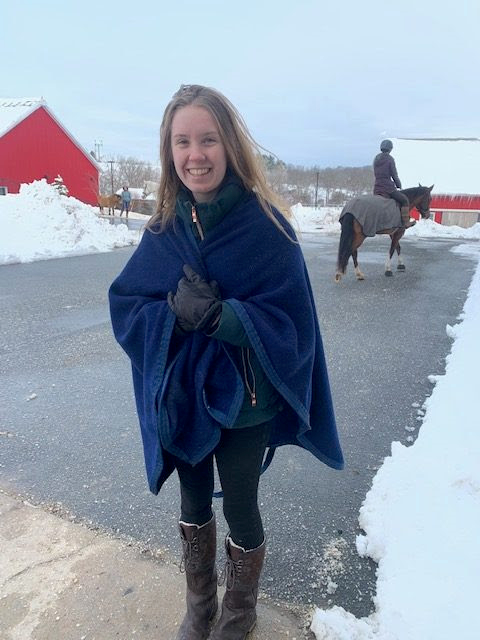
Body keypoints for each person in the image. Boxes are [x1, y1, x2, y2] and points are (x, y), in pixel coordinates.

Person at [109, 84, 344, 640]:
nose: (196, 154)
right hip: (184, 397)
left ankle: (239, 613)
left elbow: (292, 323)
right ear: (169, 151)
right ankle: (200, 608)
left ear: (230, 145)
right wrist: (171, 313)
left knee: (241, 503)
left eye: (208, 139)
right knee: (193, 500)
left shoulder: (268, 228)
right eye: (182, 142)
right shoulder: (163, 230)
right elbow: (127, 304)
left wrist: (223, 318)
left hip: (247, 400)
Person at [373, 139, 415, 228]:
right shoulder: (390, 159)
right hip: (388, 188)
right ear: (390, 148)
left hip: (377, 188)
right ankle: (406, 222)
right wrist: (399, 185)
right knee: (404, 200)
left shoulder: (376, 158)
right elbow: (394, 175)